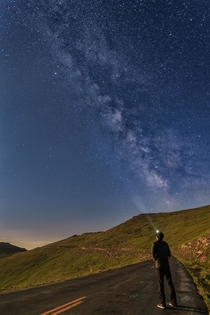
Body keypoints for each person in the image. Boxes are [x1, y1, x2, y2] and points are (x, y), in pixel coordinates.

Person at [152, 231, 178, 309]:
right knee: (170, 282)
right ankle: (173, 302)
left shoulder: (154, 243)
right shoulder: (165, 243)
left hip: (159, 266)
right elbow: (169, 254)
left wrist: (156, 259)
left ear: (157, 237)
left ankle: (162, 303)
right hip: (166, 265)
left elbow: (153, 255)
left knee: (160, 284)